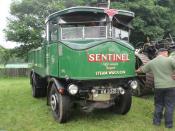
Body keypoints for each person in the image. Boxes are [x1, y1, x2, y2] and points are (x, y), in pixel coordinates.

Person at [136, 48, 175, 128]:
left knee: (158, 105)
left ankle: (156, 123)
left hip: (158, 87)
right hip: (171, 86)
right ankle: (169, 125)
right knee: (169, 105)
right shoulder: (170, 60)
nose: (167, 55)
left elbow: (142, 70)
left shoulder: (152, 62)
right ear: (164, 53)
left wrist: (135, 70)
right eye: (167, 53)